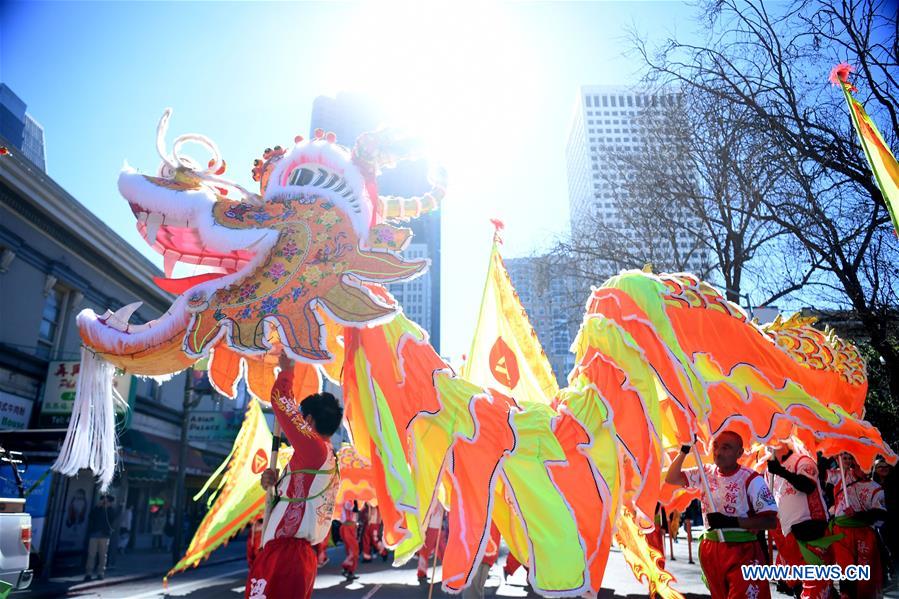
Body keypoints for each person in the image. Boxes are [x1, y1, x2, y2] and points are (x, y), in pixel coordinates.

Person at [246, 353, 342, 599]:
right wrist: (274, 484)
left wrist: (287, 370)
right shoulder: (322, 457)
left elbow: (280, 400)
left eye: (300, 416)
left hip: (287, 555)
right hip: (290, 555)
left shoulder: (315, 450)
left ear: (307, 420)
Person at [665, 431, 778, 599]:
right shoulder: (705, 472)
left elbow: (770, 521)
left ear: (739, 453)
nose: (718, 452)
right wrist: (684, 450)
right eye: (716, 446)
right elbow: (672, 478)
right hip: (711, 548)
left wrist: (731, 522)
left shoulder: (752, 479)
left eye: (726, 448)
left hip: (742, 550)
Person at [765, 440, 833, 599]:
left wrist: (781, 472)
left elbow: (808, 486)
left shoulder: (803, 460)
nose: (770, 441)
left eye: (775, 437)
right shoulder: (769, 471)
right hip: (788, 534)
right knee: (798, 585)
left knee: (816, 586)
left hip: (811, 531)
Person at [827, 452, 887, 599]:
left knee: (863, 576)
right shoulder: (842, 475)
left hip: (865, 533)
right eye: (861, 464)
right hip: (841, 532)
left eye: (868, 465)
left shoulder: (876, 489)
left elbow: (880, 514)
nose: (865, 469)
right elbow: (821, 474)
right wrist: (829, 456)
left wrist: (857, 515)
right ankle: (845, 594)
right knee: (846, 569)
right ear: (855, 463)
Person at [84, 494, 121, 582]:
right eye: (105, 501)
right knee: (91, 554)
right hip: (94, 534)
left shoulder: (110, 511)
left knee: (102, 555)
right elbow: (91, 516)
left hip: (104, 535)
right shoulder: (97, 509)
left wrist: (117, 507)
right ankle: (89, 573)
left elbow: (114, 516)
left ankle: (100, 573)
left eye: (107, 501)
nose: (105, 503)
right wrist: (98, 506)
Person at [417, 503, 448, 584]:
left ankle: (449, 573)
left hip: (440, 526)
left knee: (443, 551)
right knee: (425, 551)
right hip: (430, 526)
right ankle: (421, 573)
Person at [339, 500, 360, 581]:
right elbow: (351, 509)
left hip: (350, 528)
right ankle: (346, 568)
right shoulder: (347, 500)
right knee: (354, 551)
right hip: (347, 528)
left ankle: (348, 570)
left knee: (351, 551)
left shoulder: (350, 500)